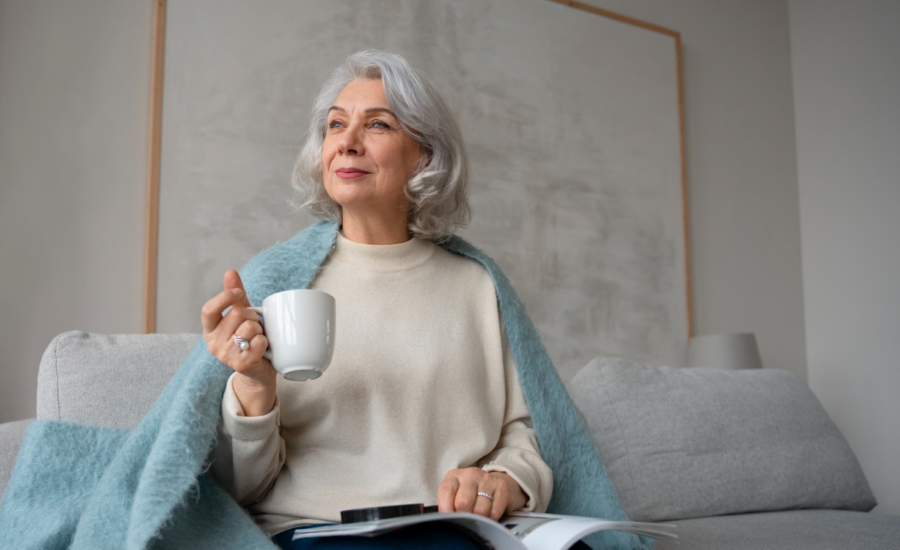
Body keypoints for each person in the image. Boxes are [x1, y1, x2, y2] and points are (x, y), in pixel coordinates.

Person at [201, 50, 553, 548]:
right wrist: (255, 386)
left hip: (450, 532)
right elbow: (235, 490)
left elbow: (524, 432)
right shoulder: (274, 286)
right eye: (335, 125)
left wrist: (505, 480)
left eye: (378, 125)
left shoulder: (478, 286)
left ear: (424, 155)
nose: (346, 142)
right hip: (316, 534)